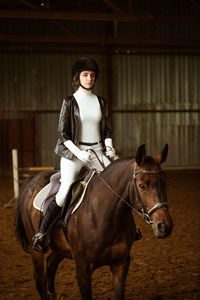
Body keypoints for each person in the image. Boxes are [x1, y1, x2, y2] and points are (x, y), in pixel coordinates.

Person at [32, 57, 115, 252]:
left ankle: (125, 228)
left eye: (92, 76)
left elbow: (107, 130)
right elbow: (63, 133)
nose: (89, 79)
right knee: (65, 190)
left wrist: (109, 146)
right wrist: (79, 152)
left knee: (114, 186)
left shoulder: (101, 102)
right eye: (85, 75)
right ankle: (42, 234)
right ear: (77, 77)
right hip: (73, 154)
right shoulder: (69, 102)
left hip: (97, 151)